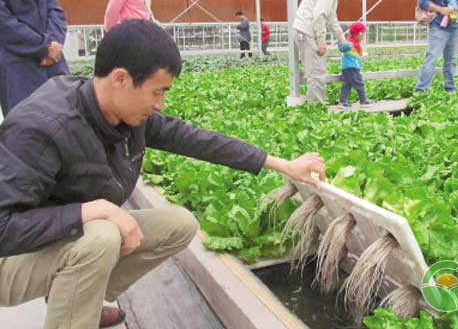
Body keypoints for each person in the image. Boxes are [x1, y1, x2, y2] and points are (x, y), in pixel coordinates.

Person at [0, 19, 326, 329]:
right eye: (157, 91)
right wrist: (90, 210)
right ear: (120, 79)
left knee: (178, 225)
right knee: (101, 236)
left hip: (58, 240)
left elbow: (197, 140)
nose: (160, 103)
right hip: (12, 258)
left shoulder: (127, 117)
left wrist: (281, 164)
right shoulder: (41, 127)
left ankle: (80, 298)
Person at [0, 0, 69, 116]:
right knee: (26, 127)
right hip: (19, 67)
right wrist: (44, 46)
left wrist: (53, 44)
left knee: (66, 119)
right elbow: (4, 24)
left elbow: (55, 10)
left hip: (54, 62)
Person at [293, 0, 361, 104]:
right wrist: (321, 42)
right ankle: (316, 107)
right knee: (317, 71)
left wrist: (342, 40)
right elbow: (319, 17)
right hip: (308, 31)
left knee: (314, 70)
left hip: (306, 30)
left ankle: (314, 105)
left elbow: (331, 19)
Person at [338, 22, 372, 108]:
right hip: (352, 68)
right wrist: (346, 44)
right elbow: (341, 47)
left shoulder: (354, 42)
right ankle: (363, 101)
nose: (364, 36)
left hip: (348, 68)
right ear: (358, 34)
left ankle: (342, 102)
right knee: (359, 84)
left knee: (347, 85)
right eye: (363, 33)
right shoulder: (350, 43)